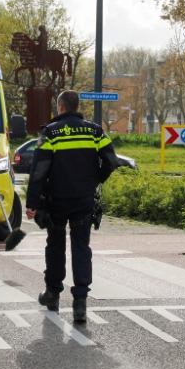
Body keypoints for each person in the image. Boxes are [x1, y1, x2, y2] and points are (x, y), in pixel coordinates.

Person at [25, 90, 119, 323]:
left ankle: (53, 294)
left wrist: (32, 203)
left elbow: (39, 170)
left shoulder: (51, 133)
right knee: (81, 247)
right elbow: (111, 161)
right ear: (77, 107)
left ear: (60, 107)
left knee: (55, 246)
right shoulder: (96, 131)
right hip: (83, 200)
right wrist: (94, 180)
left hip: (56, 201)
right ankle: (80, 303)